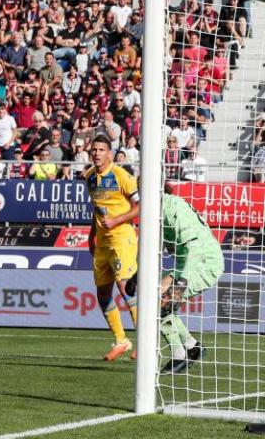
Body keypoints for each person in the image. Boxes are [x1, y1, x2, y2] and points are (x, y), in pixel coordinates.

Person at [127, 188, 224, 373]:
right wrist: (136, 276)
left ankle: (179, 356)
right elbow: (149, 247)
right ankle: (193, 347)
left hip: (204, 262)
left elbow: (194, 250)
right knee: (154, 300)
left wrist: (180, 284)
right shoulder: (152, 212)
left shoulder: (174, 209)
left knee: (161, 304)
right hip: (185, 265)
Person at [84, 134, 140, 361]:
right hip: (102, 243)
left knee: (125, 287)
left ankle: (145, 340)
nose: (96, 153)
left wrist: (117, 221)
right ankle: (121, 340)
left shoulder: (122, 176)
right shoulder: (89, 177)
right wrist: (91, 236)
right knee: (102, 292)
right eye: (94, 150)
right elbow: (97, 210)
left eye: (101, 150)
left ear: (109, 153)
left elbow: (140, 206)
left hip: (122, 238)